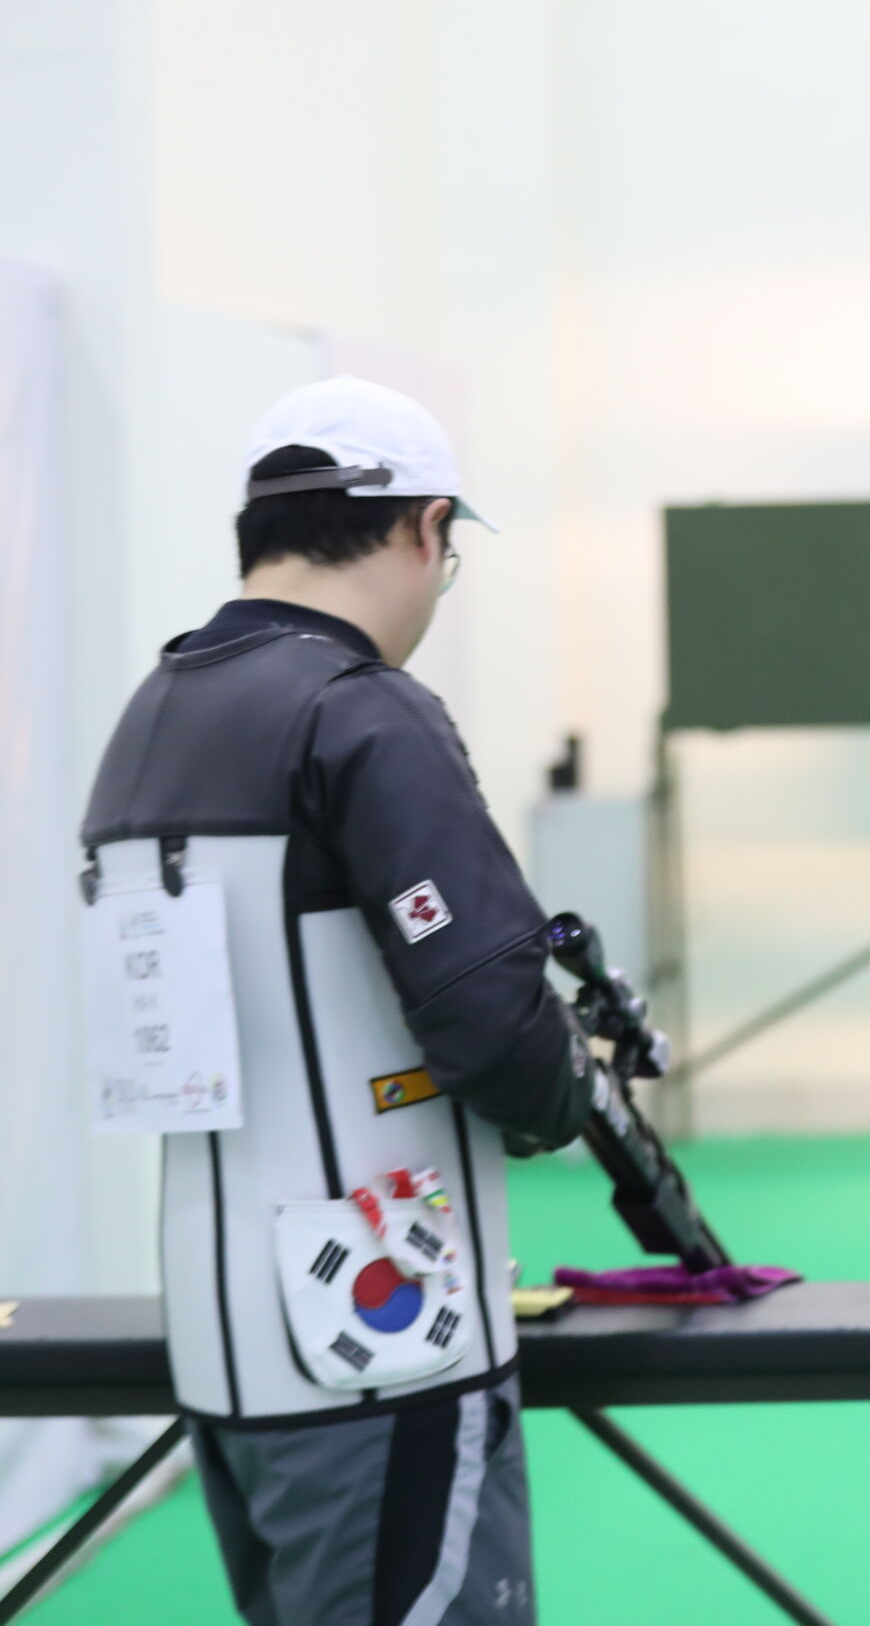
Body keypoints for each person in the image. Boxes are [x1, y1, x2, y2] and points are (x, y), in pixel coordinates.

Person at [80, 376, 592, 1625]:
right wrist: (571, 1086)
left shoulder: (153, 711)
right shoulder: (358, 713)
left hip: (228, 1343)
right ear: (427, 527)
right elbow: (496, 1025)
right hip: (384, 1341)